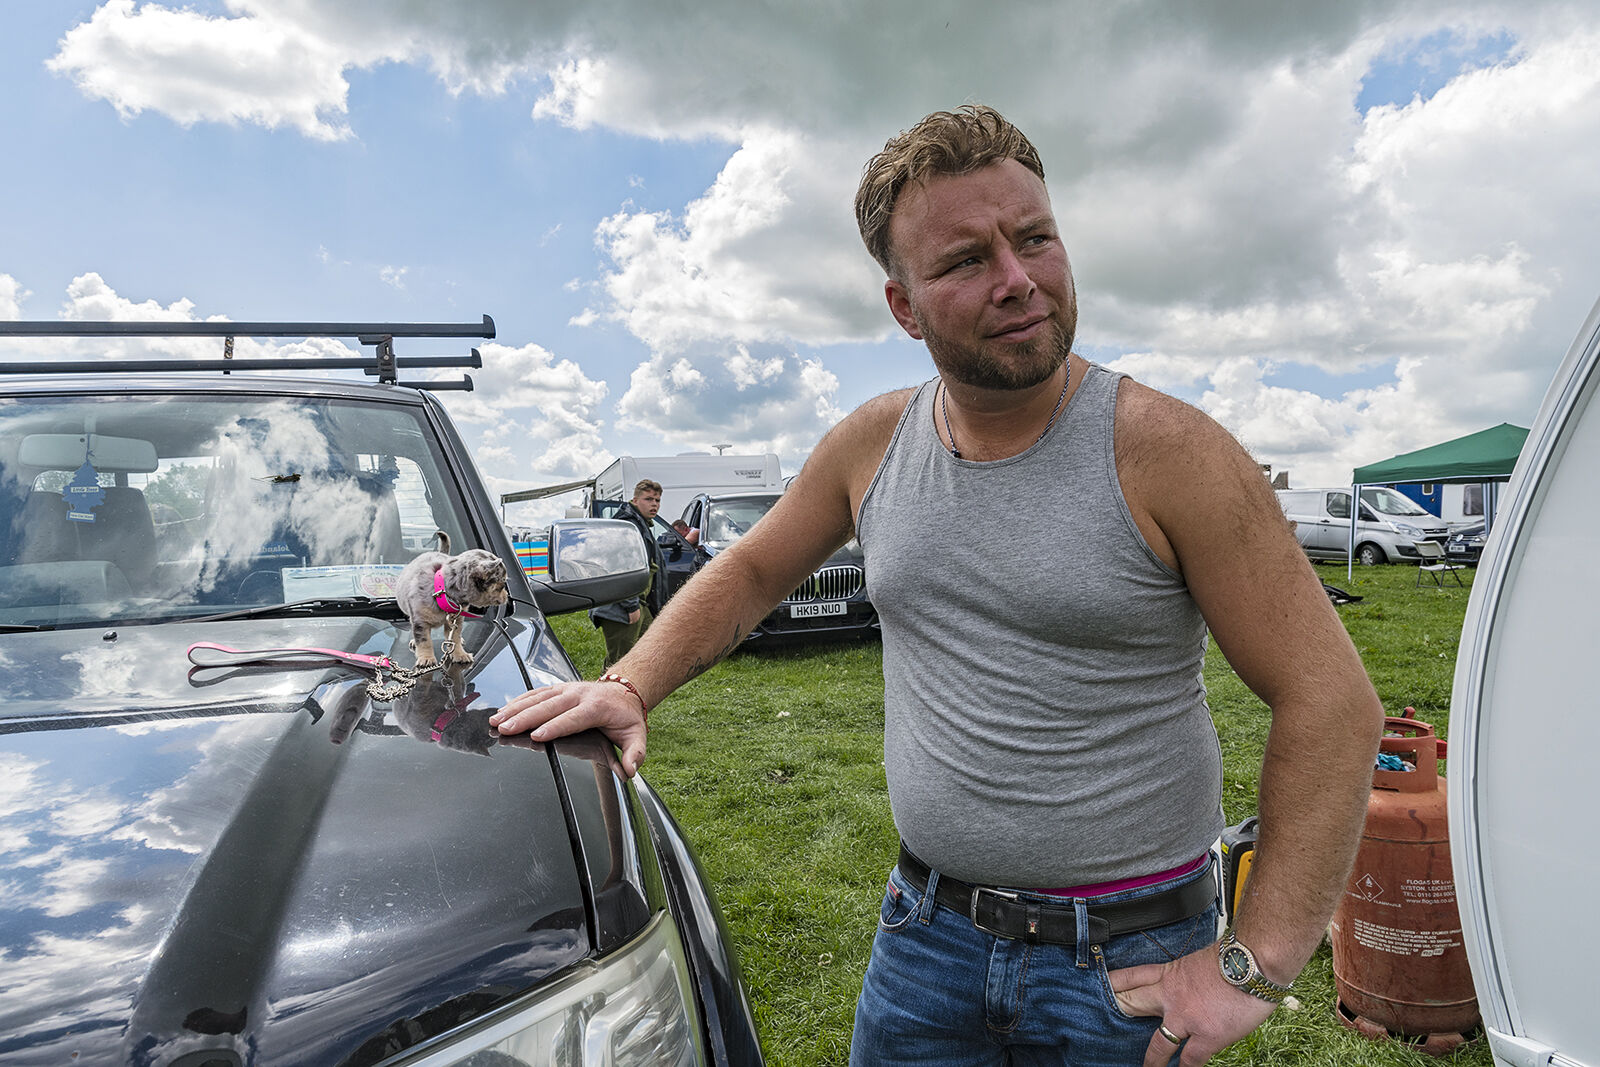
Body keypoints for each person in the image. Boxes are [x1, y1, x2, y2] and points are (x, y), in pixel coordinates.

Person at [492, 105, 1384, 1067]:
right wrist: (630, 684)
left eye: (1035, 238)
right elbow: (749, 570)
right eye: (966, 260)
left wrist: (1253, 964)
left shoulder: (1173, 454)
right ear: (904, 307)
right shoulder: (871, 444)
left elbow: (1332, 703)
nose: (1018, 280)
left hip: (1127, 967)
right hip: (927, 938)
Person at [589, 479, 667, 668]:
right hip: (620, 605)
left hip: (638, 602)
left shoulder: (640, 524)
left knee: (648, 649)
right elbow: (620, 568)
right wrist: (630, 606)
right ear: (634, 500)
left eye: (657, 500)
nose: (654, 504)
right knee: (620, 662)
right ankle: (606, 693)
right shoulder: (626, 526)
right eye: (648, 499)